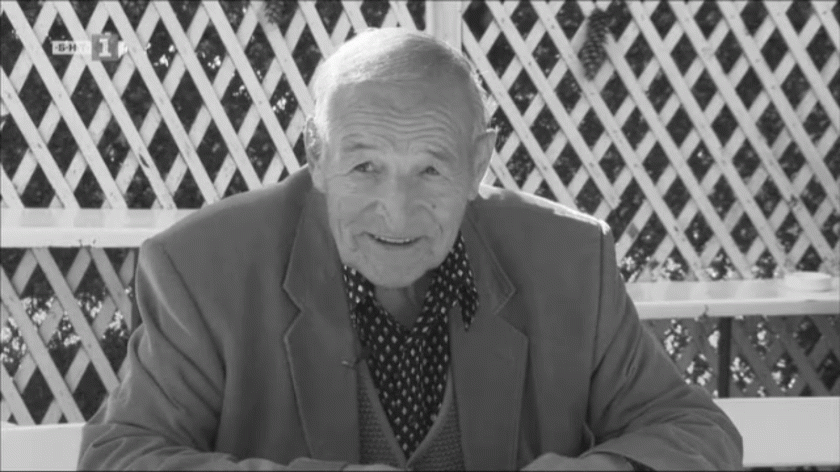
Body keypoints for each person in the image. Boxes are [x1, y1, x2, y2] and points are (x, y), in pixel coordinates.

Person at [78, 28, 742, 470]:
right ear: (316, 155)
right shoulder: (202, 267)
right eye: (365, 167)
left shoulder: (569, 258)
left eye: (430, 168)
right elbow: (120, 455)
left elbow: (696, 431)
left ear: (478, 163)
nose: (395, 211)